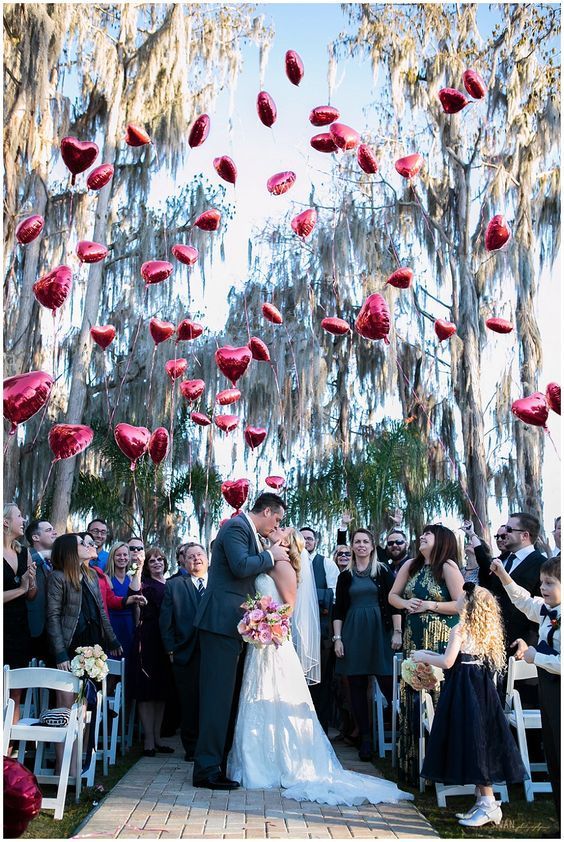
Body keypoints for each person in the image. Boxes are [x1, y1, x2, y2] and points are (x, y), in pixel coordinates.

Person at [227, 527, 413, 807]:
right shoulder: (268, 561)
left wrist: (265, 623)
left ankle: (286, 760)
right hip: (262, 645)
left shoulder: (285, 565)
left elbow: (288, 606)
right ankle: (256, 760)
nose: (273, 532)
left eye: (279, 531)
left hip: (275, 641)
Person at [193, 492, 290, 790]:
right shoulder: (236, 527)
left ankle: (215, 765)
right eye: (277, 519)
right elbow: (239, 566)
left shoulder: (247, 532)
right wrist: (273, 555)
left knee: (226, 699)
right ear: (268, 511)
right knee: (216, 699)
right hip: (219, 623)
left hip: (232, 626)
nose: (276, 526)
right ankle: (206, 770)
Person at [412, 583, 526, 828]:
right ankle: (481, 800)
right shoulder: (487, 630)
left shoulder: (460, 629)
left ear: (469, 604)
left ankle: (488, 804)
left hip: (464, 691)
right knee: (480, 740)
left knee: (474, 743)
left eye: (462, 597)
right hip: (482, 690)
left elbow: (447, 661)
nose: (458, 599)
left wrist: (423, 655)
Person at [389, 524, 464, 785]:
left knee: (437, 699)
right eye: (421, 534)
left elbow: (462, 604)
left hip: (441, 639)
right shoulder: (410, 565)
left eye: (428, 534)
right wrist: (406, 604)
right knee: (412, 697)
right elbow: (392, 596)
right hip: (414, 639)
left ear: (442, 540)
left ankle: (441, 770)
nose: (422, 537)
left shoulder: (448, 567)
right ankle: (412, 767)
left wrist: (432, 605)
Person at [491, 555, 560, 822]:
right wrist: (502, 575)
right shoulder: (545, 609)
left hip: (559, 690)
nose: (543, 588)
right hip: (549, 689)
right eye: (542, 582)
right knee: (553, 754)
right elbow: (522, 600)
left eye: (550, 583)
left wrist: (535, 657)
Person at [332, 528, 402, 761]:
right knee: (357, 687)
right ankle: (366, 739)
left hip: (380, 632)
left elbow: (394, 603)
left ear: (372, 546)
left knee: (388, 684)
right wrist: (338, 638)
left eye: (365, 541)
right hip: (353, 633)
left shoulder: (382, 572)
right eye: (357, 542)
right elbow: (338, 610)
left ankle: (403, 736)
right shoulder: (345, 576)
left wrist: (397, 632)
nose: (361, 545)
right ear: (352, 546)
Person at [160, 543, 209, 762]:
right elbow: (165, 621)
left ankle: (211, 747)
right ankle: (191, 748)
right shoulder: (175, 586)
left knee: (210, 702)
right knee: (189, 703)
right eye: (190, 556)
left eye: (199, 554)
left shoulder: (217, 583)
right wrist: (171, 650)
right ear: (184, 562)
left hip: (213, 654)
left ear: (207, 559)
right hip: (184, 654)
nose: (195, 559)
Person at [130, 546, 175, 756]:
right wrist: (138, 568)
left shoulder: (172, 585)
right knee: (147, 692)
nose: (157, 563)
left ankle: (158, 737)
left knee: (161, 691)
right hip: (148, 638)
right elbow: (133, 592)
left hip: (167, 641)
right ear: (147, 566)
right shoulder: (144, 584)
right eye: (152, 561)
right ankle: (148, 739)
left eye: (160, 559)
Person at [300, 525, 338, 733]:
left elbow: (333, 593)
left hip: (322, 631)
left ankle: (320, 724)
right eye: (303, 538)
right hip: (296, 632)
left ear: (316, 542)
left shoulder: (326, 563)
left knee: (321, 679)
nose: (306, 541)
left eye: (310, 538)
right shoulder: (290, 562)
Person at [3, 503, 37, 729]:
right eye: (19, 516)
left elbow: (31, 595)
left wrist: (31, 582)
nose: (24, 519)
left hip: (20, 627)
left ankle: (9, 749)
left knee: (17, 690)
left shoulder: (23, 552)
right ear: (5, 522)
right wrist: (22, 589)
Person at [105, 542, 144, 661]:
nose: (122, 558)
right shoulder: (106, 577)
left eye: (125, 555)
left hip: (130, 624)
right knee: (112, 664)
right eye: (118, 555)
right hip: (113, 624)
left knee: (130, 664)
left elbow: (137, 600)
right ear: (112, 557)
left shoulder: (132, 576)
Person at [24, 518, 56, 663]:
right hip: (31, 628)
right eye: (48, 530)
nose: (54, 532)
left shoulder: (54, 561)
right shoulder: (25, 556)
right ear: (35, 537)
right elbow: (23, 571)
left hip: (53, 630)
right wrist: (43, 555)